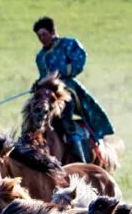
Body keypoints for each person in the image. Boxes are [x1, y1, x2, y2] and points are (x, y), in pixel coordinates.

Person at [32, 16, 114, 163]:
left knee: (66, 119)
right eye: (39, 36)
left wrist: (56, 74)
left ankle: (81, 158)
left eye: (44, 34)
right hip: (48, 93)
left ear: (53, 32)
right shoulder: (40, 56)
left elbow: (79, 61)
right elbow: (43, 77)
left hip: (66, 90)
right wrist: (38, 83)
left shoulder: (69, 44)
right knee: (35, 114)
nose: (42, 39)